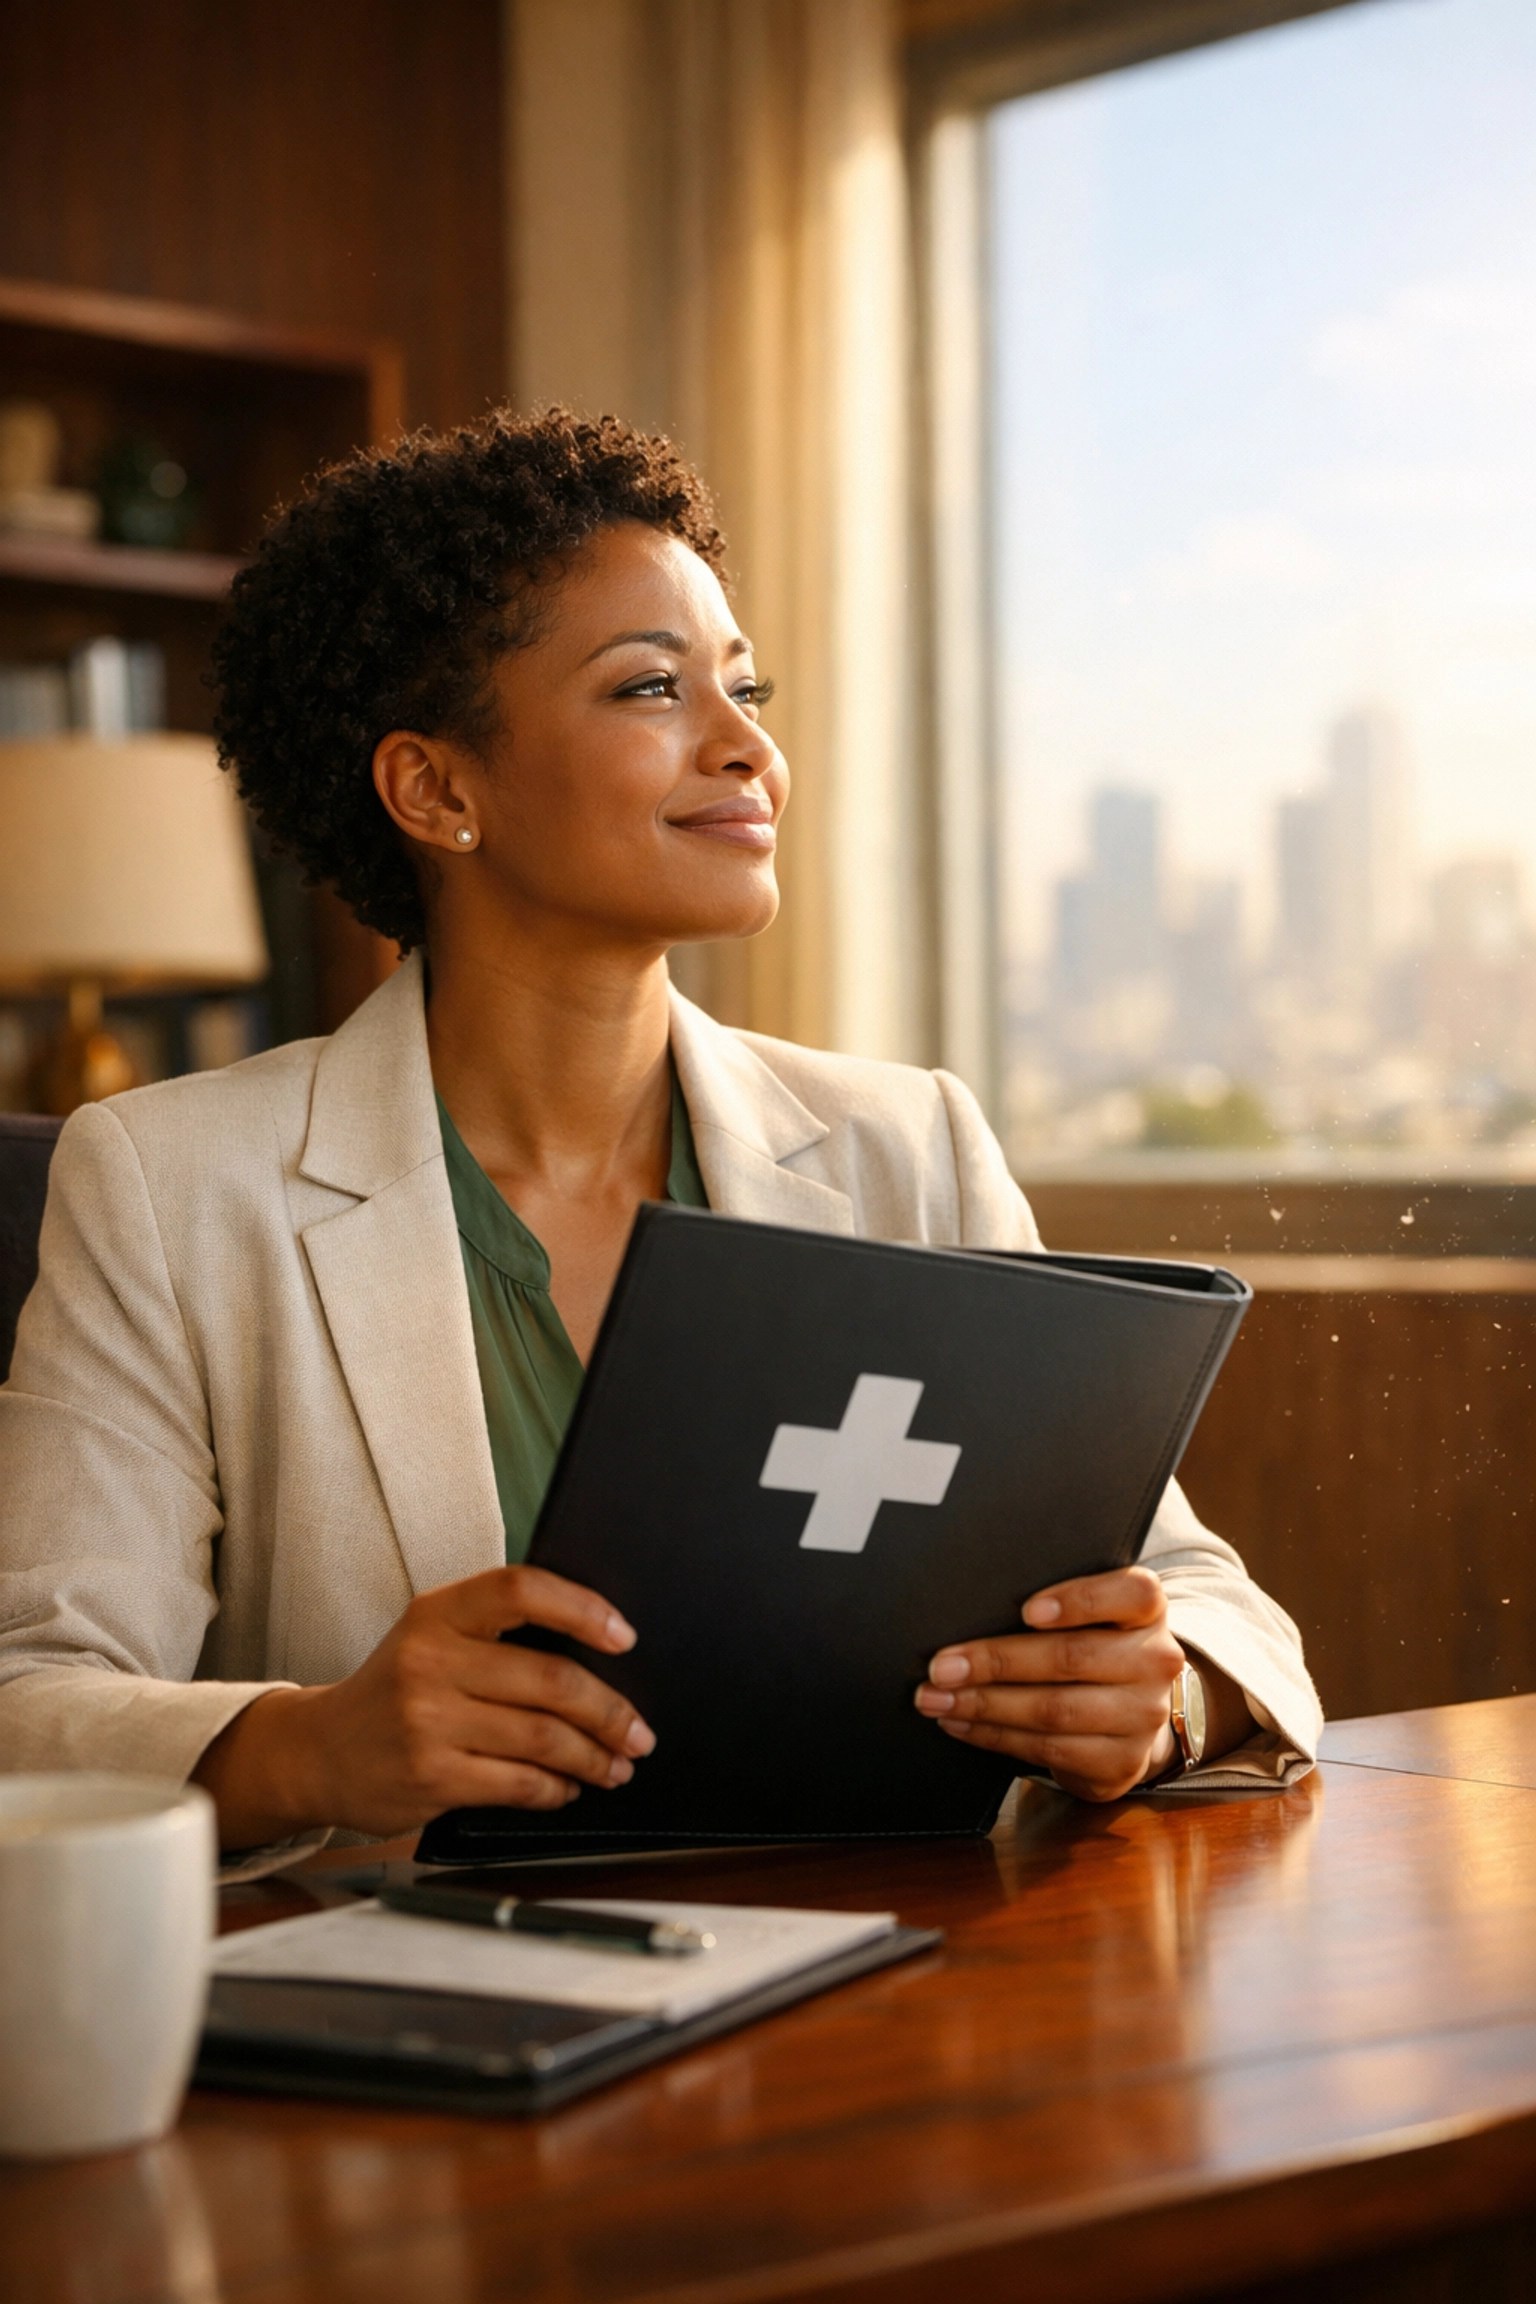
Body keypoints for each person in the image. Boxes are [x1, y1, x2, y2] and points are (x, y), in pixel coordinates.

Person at [0, 410, 1319, 1863]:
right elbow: (30, 1697)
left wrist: (1159, 1691)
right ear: (437, 790)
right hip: (426, 2027)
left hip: (880, 1979)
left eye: (744, 688)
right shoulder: (170, 1185)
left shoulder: (910, 1145)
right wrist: (317, 1745)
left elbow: (1195, 1593)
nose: (748, 746)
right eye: (651, 689)